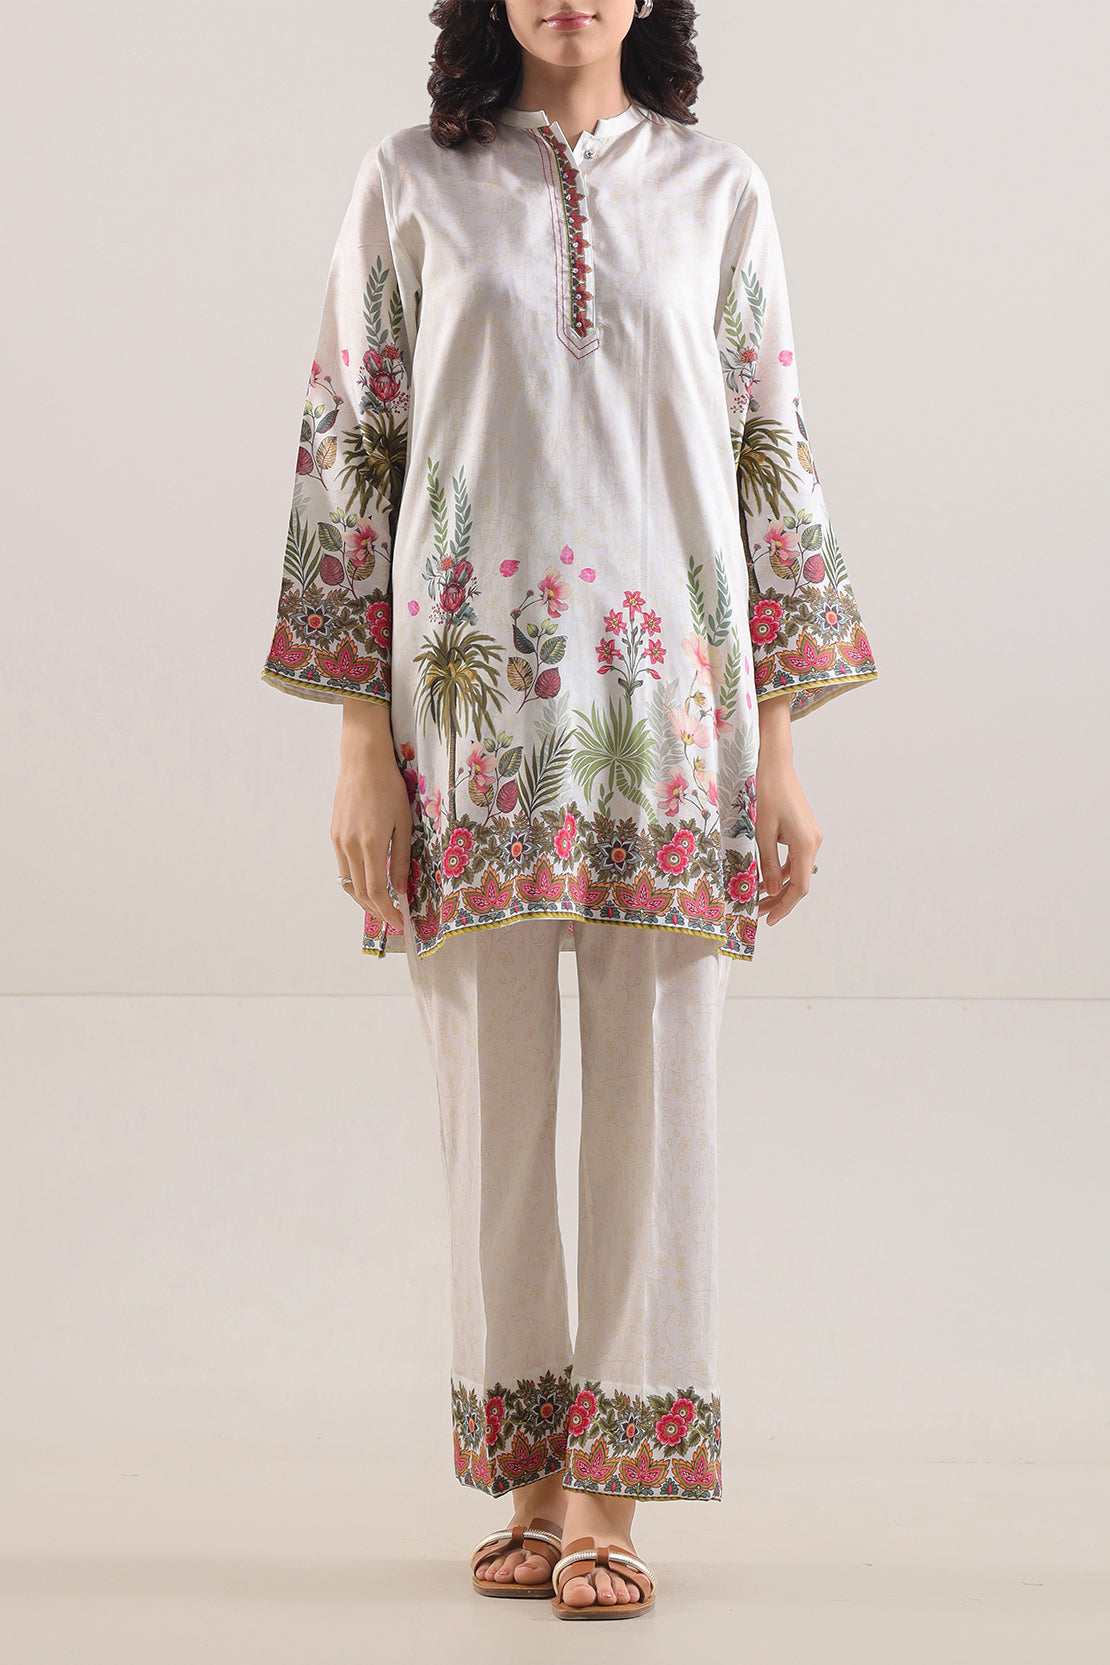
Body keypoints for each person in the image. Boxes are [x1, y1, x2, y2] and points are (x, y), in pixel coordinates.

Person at [260, 0, 878, 1621]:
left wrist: (778, 744)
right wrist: (359, 743)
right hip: (467, 723)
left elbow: (769, 452)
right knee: (493, 1106)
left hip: (672, 718)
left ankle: (614, 1491)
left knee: (659, 1103)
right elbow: (350, 447)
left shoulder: (719, 188)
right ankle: (531, 1476)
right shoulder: (409, 180)